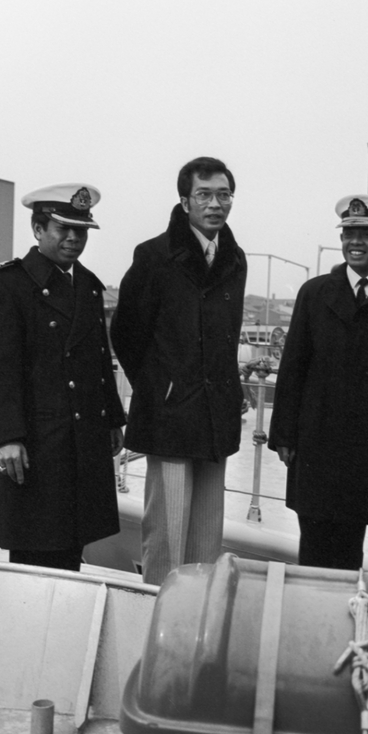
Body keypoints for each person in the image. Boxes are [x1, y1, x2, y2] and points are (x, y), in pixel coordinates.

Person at [0, 183, 126, 571]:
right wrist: (6, 437)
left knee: (72, 544)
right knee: (34, 548)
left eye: (81, 230)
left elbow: (98, 360)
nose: (74, 238)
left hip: (82, 437)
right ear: (38, 229)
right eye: (63, 229)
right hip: (36, 441)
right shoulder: (6, 284)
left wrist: (112, 419)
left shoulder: (88, 286)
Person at [269, 195, 368, 571]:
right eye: (349, 233)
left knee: (351, 546)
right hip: (317, 443)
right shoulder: (314, 294)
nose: (356, 242)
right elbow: (293, 367)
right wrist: (285, 435)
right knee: (314, 545)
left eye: (367, 235)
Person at [111, 157, 247, 585]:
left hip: (215, 415)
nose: (215, 204)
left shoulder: (234, 259)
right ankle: (158, 614)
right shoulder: (154, 256)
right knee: (167, 537)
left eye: (223, 195)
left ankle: (198, 618)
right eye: (204, 195)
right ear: (185, 201)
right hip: (169, 416)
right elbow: (126, 333)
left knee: (207, 541)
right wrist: (160, 387)